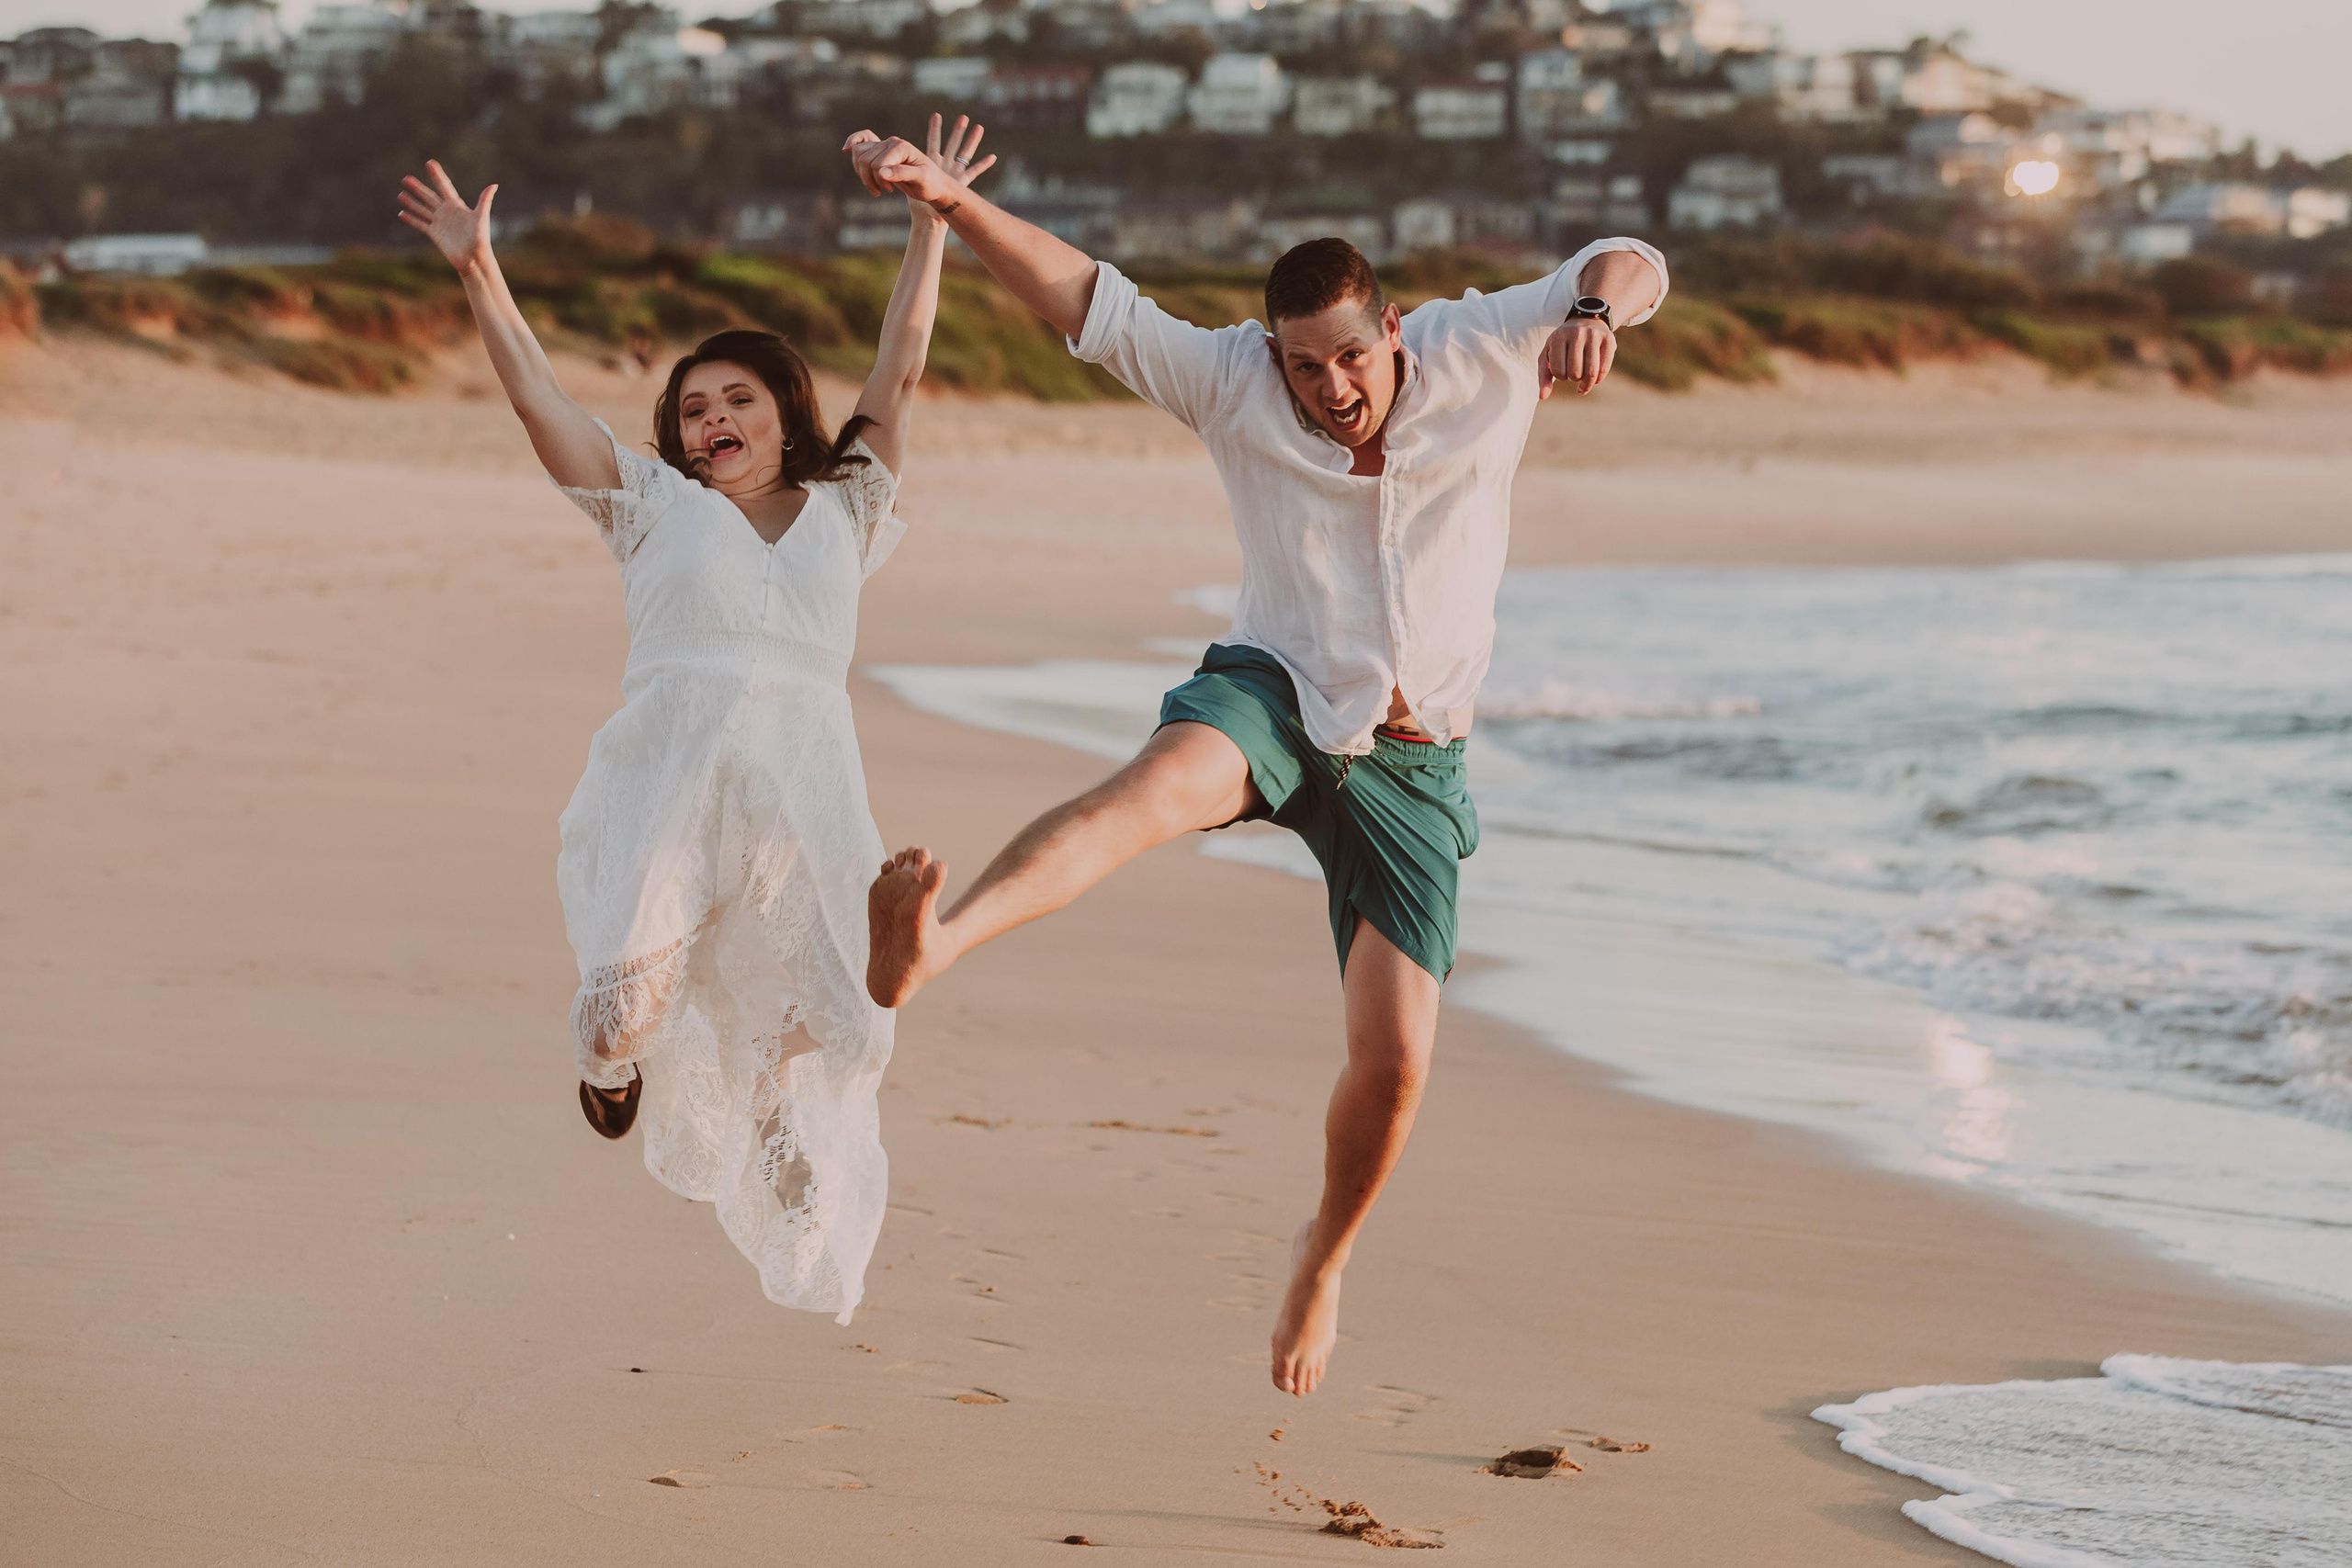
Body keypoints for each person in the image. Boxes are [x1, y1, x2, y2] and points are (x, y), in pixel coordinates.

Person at [843, 128, 1667, 1391]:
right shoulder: (1233, 381)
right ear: (1270, 353)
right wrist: (952, 204)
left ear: (1393, 330)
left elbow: (1632, 254)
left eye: (1349, 357)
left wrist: (1596, 311)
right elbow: (1088, 300)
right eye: (1303, 365)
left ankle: (1322, 1259)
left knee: (1396, 1066)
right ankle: (938, 943)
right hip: (1276, 692)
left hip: (1414, 759)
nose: (1330, 388)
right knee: (1153, 791)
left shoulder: (1484, 345)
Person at [394, 117, 997, 1324]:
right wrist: (479, 269)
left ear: (784, 408)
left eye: (736, 398)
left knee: (835, 1017)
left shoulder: (849, 504)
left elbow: (902, 367)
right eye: (692, 408)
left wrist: (932, 224)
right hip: (672, 780)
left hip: (801, 789)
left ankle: (774, 1115)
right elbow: (540, 400)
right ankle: (611, 1070)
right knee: (620, 1016)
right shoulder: (651, 506)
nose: (711, 418)